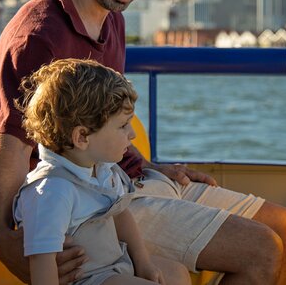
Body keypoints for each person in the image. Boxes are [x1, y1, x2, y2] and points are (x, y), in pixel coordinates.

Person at [0, 0, 286, 285]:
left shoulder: (112, 16)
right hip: (86, 207)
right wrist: (1, 241)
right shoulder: (39, 37)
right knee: (261, 250)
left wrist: (153, 167)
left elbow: (100, 123)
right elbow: (10, 150)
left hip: (127, 182)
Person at [13, 58, 190, 285]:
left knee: (177, 274)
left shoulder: (102, 169)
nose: (132, 134)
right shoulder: (52, 191)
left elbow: (120, 213)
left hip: (114, 264)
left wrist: (143, 261)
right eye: (123, 125)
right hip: (88, 279)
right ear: (82, 137)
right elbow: (42, 262)